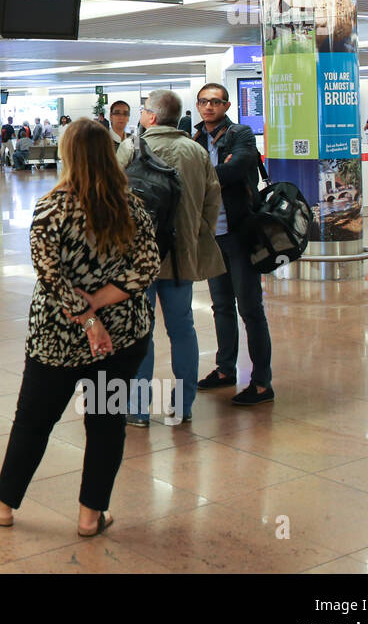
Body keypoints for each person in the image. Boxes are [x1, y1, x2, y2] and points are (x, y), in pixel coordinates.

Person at [0, 118, 160, 534]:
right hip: (124, 336)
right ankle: (91, 516)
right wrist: (102, 306)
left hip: (57, 338)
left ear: (68, 155)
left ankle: (2, 505)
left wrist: (87, 316)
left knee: (34, 421)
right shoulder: (132, 204)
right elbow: (147, 266)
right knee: (107, 422)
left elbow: (49, 275)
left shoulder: (52, 208)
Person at [116, 90, 224, 426]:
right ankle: (183, 405)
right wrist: (193, 234)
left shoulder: (131, 148)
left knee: (139, 330)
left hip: (137, 259)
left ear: (151, 116)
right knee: (182, 329)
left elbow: (113, 196)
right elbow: (212, 201)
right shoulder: (196, 151)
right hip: (180, 257)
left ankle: (137, 408)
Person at [193, 83, 275, 406]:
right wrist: (216, 171)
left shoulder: (241, 134)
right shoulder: (196, 137)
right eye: (203, 101)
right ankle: (225, 368)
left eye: (215, 102)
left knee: (251, 309)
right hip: (212, 237)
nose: (209, 107)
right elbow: (200, 173)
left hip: (240, 234)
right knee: (221, 306)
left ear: (227, 105)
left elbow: (238, 167)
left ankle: (262, 382)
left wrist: (205, 173)